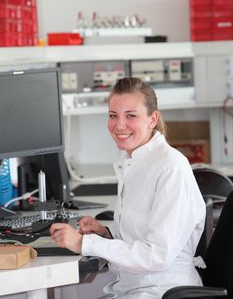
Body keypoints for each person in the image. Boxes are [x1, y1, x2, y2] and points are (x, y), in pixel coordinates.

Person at [50, 77, 206, 299]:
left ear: (153, 119)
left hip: (162, 291)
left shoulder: (170, 167)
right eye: (113, 115)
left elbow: (157, 255)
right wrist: (106, 234)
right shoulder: (132, 160)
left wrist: (85, 243)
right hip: (133, 287)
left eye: (130, 115)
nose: (119, 125)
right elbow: (142, 233)